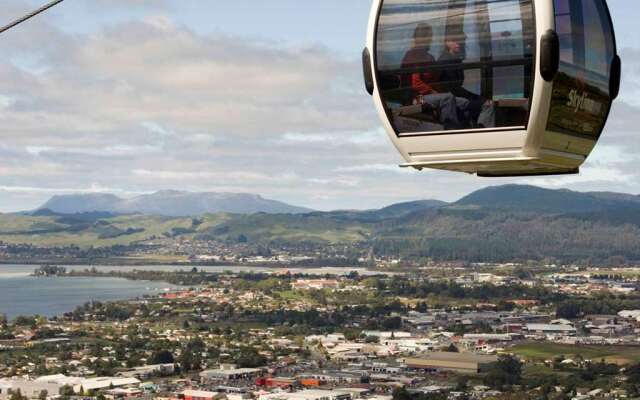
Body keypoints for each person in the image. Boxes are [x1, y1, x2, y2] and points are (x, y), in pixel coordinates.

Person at [401, 23, 469, 130]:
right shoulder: (413, 55)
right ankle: (451, 129)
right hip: (417, 97)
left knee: (464, 102)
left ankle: (466, 130)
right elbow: (415, 83)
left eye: (430, 37)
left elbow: (435, 80)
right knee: (447, 98)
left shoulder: (429, 57)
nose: (430, 40)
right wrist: (433, 92)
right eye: (428, 37)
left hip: (431, 95)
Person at [437, 26, 495, 128]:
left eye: (461, 40)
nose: (459, 43)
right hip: (452, 99)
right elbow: (452, 88)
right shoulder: (446, 60)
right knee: (488, 105)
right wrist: (475, 98)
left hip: (457, 95)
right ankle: (483, 132)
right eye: (455, 40)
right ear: (447, 42)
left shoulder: (456, 59)